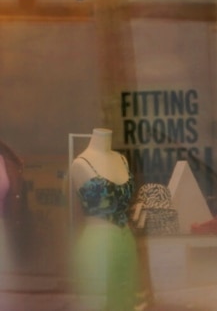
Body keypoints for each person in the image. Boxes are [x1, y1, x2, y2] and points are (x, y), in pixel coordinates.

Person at [70, 128, 138, 311]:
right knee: (98, 302)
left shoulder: (122, 160)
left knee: (125, 301)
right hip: (97, 244)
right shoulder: (80, 164)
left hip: (126, 241)